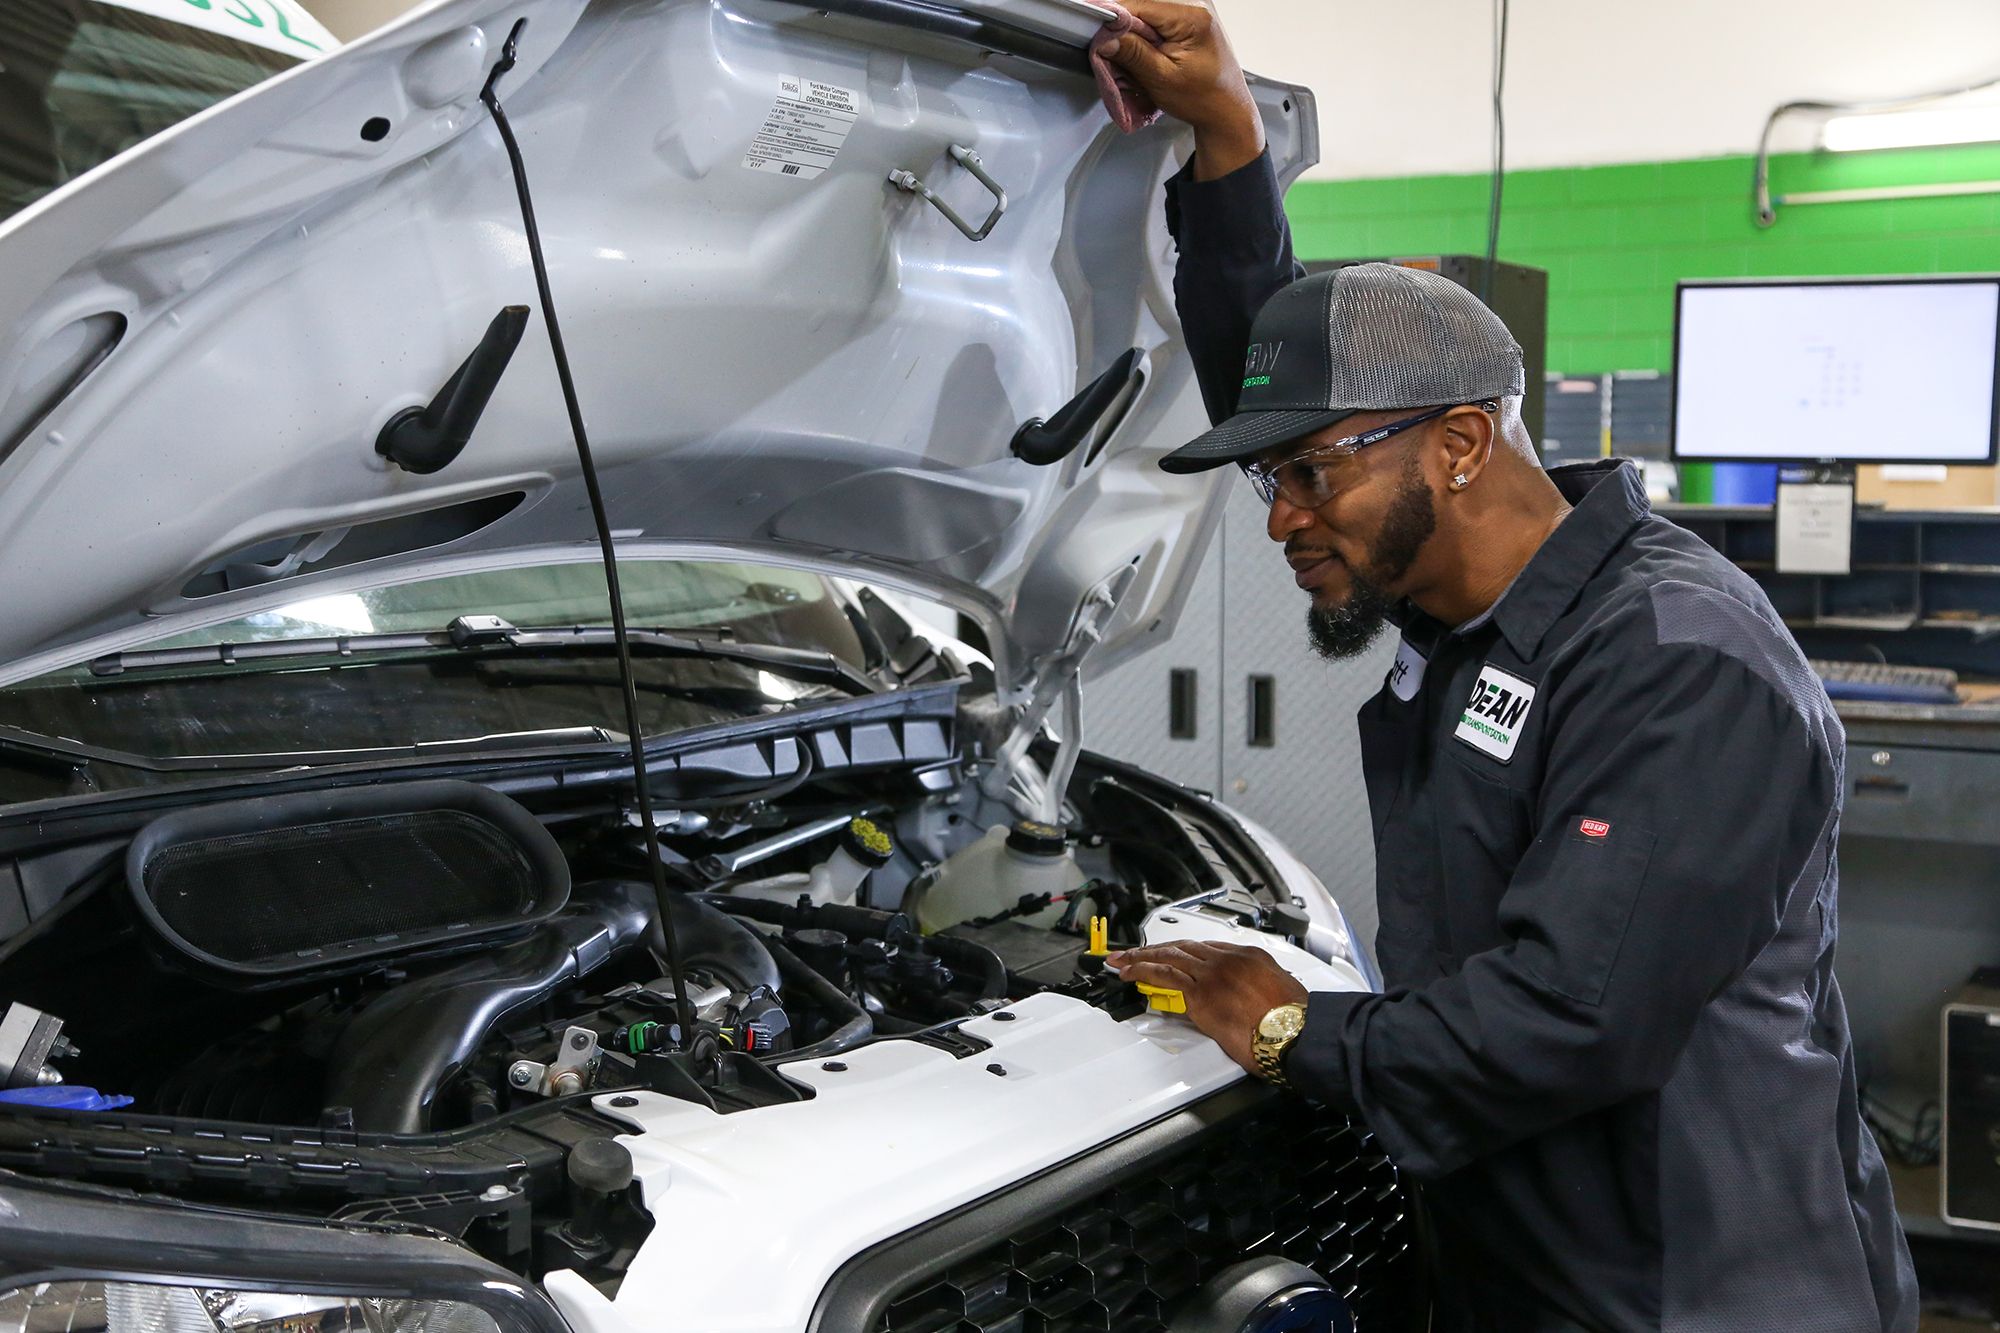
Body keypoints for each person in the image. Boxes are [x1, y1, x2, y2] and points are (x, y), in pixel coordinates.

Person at [1091, 4, 1920, 1328]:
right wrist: (1230, 143)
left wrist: (1285, 1022)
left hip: (1695, 1289)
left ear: (1463, 444)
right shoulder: (1470, 605)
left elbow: (1565, 1021)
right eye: (1269, 477)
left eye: (1307, 477)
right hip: (1527, 1264)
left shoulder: (1674, 661)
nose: (1280, 516)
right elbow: (1295, 376)